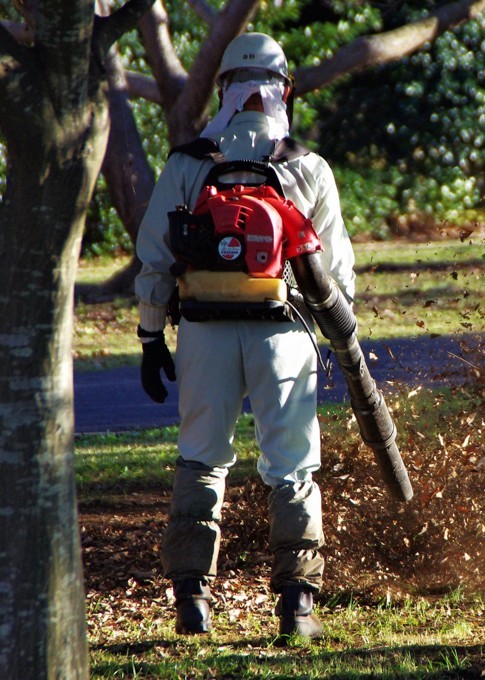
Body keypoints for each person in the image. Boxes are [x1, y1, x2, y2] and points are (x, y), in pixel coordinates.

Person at [135, 32, 356, 640]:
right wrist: (340, 335)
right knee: (291, 466)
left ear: (223, 88)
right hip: (284, 336)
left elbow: (154, 259)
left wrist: (152, 338)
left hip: (204, 333)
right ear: (284, 91)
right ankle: (297, 605)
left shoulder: (187, 164)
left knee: (201, 457)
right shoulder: (307, 168)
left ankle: (192, 599)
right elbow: (334, 273)